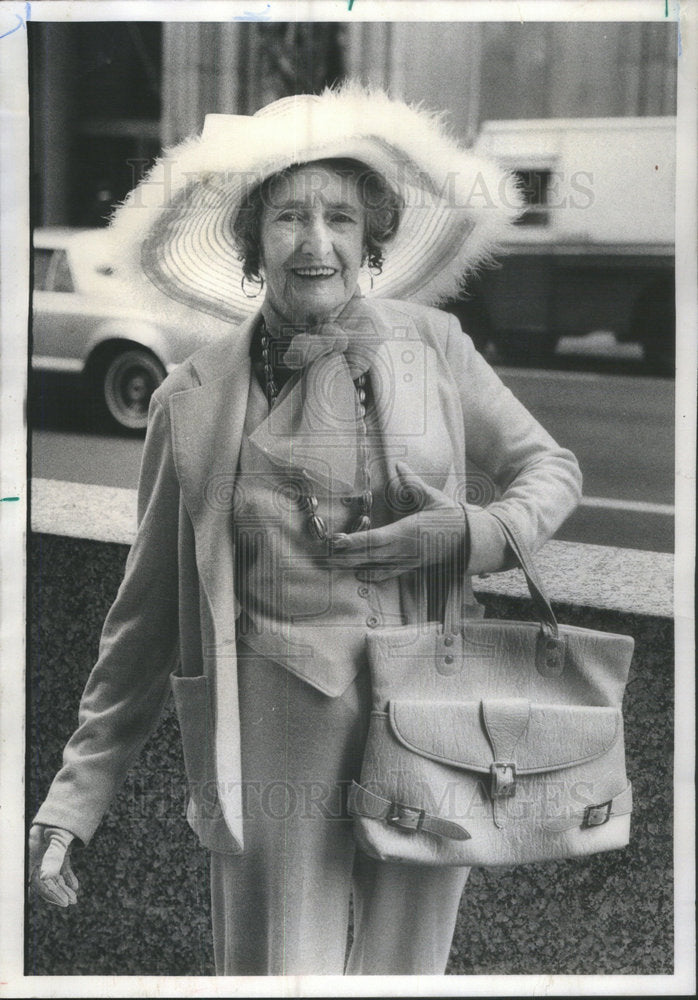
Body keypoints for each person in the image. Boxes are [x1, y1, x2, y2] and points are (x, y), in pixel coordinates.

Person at [28, 84, 582, 975]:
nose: (316, 243)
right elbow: (144, 621)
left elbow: (551, 469)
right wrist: (73, 800)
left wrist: (469, 535)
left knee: (409, 978)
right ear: (252, 242)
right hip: (273, 733)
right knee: (277, 976)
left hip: (432, 717)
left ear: (372, 240)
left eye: (340, 218)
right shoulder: (192, 401)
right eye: (288, 217)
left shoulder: (436, 346)